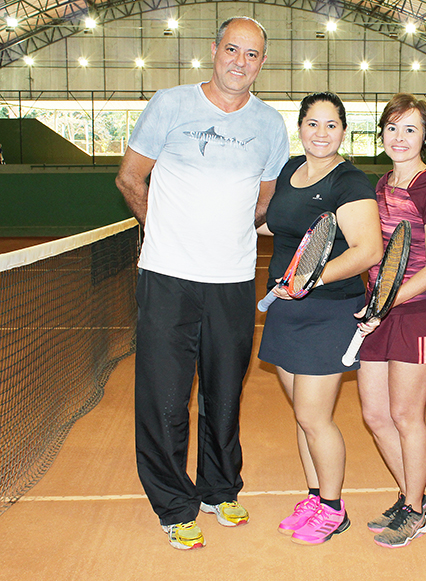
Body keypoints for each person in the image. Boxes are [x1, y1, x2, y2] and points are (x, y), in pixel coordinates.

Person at [115, 16, 290, 550]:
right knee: (165, 397)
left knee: (224, 392)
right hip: (168, 277)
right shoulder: (170, 105)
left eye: (252, 54)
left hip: (233, 281)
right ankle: (174, 504)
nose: (240, 61)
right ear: (213, 50)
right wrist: (164, 232)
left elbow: (264, 202)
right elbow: (130, 178)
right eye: (232, 49)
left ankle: (219, 489)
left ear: (262, 63)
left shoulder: (271, 125)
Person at [257, 92, 383, 545]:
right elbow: (277, 223)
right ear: (301, 127)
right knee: (302, 416)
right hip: (286, 309)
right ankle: (314, 496)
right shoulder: (291, 169)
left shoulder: (350, 182)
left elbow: (368, 250)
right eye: (313, 123)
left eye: (331, 125)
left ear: (344, 131)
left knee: (315, 416)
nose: (321, 133)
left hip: (328, 311)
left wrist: (310, 279)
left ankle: (334, 507)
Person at [356, 94, 426, 548]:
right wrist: (371, 300)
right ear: (381, 134)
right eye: (393, 127)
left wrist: (386, 299)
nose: (400, 137)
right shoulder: (378, 187)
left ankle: (414, 508)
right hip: (378, 312)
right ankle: (412, 496)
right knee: (375, 414)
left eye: (410, 129)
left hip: (418, 313)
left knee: (405, 414)